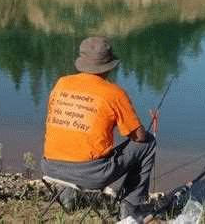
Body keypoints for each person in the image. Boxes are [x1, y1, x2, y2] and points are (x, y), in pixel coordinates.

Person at [41, 36, 156, 220]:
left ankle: (67, 197)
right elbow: (139, 137)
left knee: (71, 137)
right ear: (108, 66)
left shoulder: (61, 83)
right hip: (91, 176)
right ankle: (131, 207)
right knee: (148, 143)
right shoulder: (114, 94)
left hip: (49, 167)